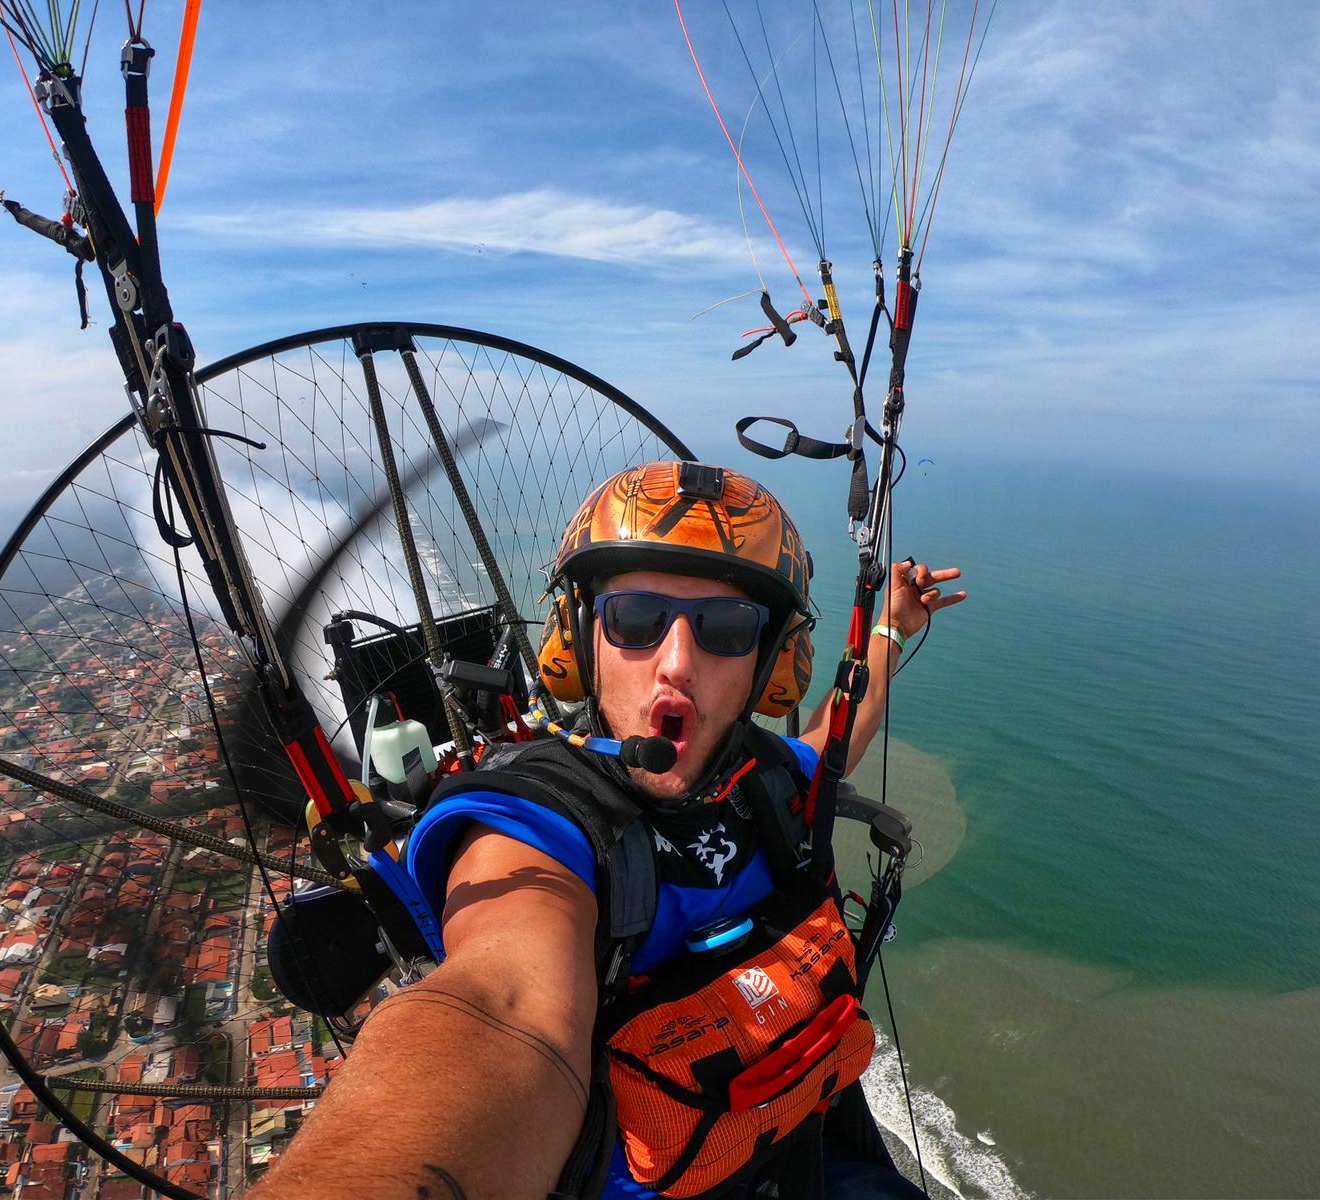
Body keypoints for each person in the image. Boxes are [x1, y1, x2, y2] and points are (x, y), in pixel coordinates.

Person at [249, 461, 965, 1200]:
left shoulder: (767, 781)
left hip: (819, 1145)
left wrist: (889, 626)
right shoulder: (539, 821)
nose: (677, 665)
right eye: (635, 619)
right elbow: (503, 1005)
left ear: (771, 662)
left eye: (726, 629)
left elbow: (834, 735)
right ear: (580, 637)